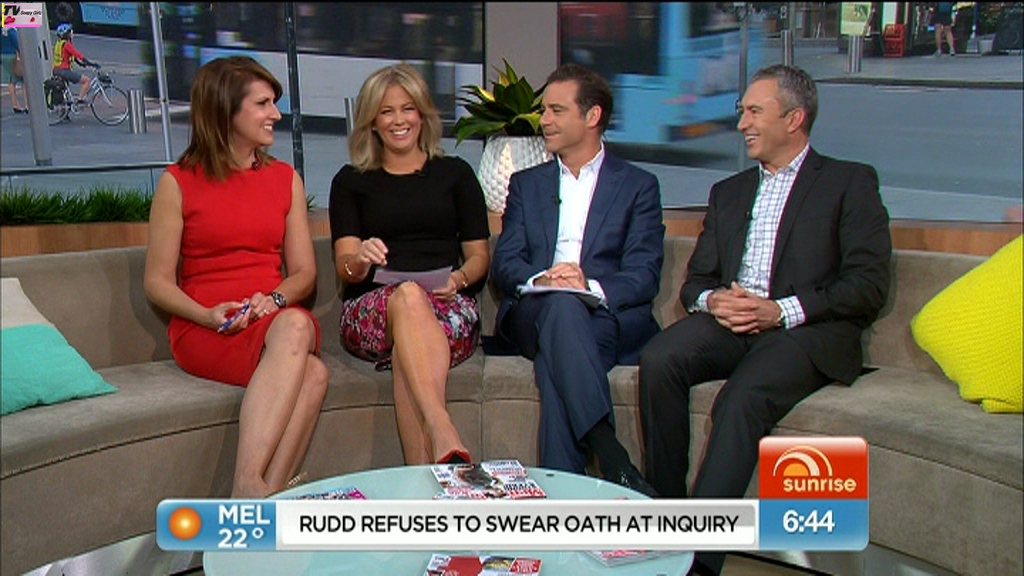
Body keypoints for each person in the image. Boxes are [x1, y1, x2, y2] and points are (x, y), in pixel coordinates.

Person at [638, 64, 892, 576]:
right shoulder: (729, 192)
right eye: (742, 112)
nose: (742, 124)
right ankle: (666, 520)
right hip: (731, 323)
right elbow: (695, 282)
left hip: (804, 331)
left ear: (794, 119)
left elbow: (867, 284)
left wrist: (780, 310)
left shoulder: (848, 182)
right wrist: (714, 301)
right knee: (659, 359)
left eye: (754, 111)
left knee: (742, 398)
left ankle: (698, 562)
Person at [144, 56, 327, 498]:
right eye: (263, 104)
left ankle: (258, 495)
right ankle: (249, 486)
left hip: (272, 320)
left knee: (312, 365)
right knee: (307, 359)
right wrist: (206, 315)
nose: (276, 114)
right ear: (226, 110)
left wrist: (275, 299)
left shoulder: (285, 179)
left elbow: (304, 273)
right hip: (206, 327)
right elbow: (157, 281)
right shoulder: (177, 182)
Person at [490, 63, 664, 496]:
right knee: (561, 307)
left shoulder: (638, 186)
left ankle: (562, 502)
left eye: (556, 110)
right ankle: (611, 454)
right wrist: (545, 278)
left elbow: (643, 273)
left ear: (592, 116)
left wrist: (588, 286)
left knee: (557, 367)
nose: (544, 120)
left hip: (603, 315)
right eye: (544, 110)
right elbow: (505, 263)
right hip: (534, 310)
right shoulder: (527, 184)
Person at [328, 63, 490, 465]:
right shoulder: (350, 182)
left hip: (448, 305)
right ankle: (441, 425)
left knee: (410, 342)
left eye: (408, 109)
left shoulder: (456, 174)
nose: (399, 120)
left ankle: (420, 484)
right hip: (372, 310)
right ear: (372, 121)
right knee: (407, 297)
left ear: (423, 114)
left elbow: (479, 258)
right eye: (386, 111)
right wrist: (360, 259)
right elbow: (345, 269)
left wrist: (459, 279)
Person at [52, 23, 96, 102]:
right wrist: (90, 63)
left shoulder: (59, 43)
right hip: (64, 71)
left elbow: (70, 56)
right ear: (66, 34)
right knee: (87, 81)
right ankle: (80, 99)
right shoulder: (67, 44)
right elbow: (78, 54)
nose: (72, 33)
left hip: (57, 70)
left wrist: (81, 64)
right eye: (70, 32)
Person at [2, 27, 26, 113]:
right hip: (12, 55)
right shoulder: (11, 30)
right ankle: (27, 104)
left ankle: (15, 104)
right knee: (23, 79)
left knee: (10, 80)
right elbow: (17, 43)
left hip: (3, 55)